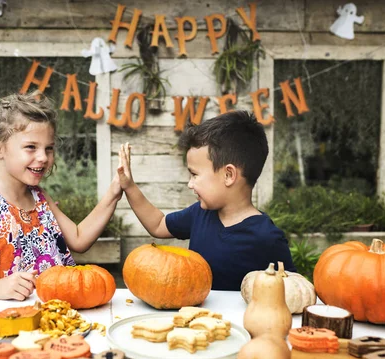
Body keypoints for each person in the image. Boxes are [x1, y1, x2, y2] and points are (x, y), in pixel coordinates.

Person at [0, 91, 122, 301]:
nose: (43, 157)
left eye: (49, 148)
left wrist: (114, 193)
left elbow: (79, 239)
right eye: (31, 147)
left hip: (51, 319)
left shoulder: (41, 198)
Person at [117, 110, 295, 291]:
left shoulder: (267, 238)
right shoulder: (199, 214)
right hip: (198, 318)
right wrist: (129, 187)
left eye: (194, 174)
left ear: (228, 175)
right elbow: (158, 224)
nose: (190, 184)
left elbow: (292, 290)